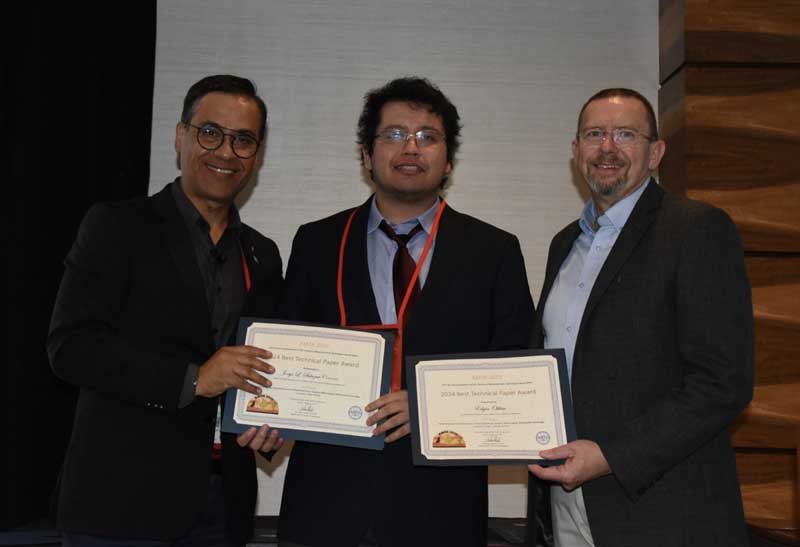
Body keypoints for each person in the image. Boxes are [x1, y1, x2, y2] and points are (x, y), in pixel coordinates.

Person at [277, 76, 535, 547]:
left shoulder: (494, 251)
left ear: (448, 160)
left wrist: (432, 407)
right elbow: (287, 359)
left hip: (442, 511)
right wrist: (268, 412)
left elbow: (516, 376)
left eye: (427, 136)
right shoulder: (316, 243)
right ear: (366, 154)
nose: (411, 147)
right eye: (394, 134)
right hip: (325, 508)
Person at [48, 74, 285, 546]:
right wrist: (195, 379)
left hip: (224, 503)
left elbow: (265, 365)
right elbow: (71, 347)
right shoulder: (116, 226)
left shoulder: (262, 253)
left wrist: (275, 417)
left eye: (243, 140)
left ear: (257, 156)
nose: (226, 152)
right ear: (181, 137)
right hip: (120, 504)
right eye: (210, 133)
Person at [526, 88, 753, 546]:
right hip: (567, 506)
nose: (607, 148)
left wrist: (610, 456)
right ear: (576, 151)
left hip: (662, 513)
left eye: (626, 134)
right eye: (595, 134)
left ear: (655, 153)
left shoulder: (696, 229)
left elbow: (722, 382)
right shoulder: (564, 244)